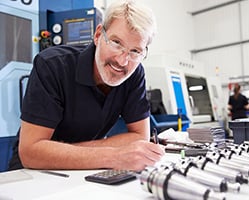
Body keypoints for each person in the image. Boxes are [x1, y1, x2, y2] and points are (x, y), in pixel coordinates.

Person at [9, 0, 164, 172]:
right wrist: (115, 155)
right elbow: (31, 152)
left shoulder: (135, 73)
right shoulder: (52, 66)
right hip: (35, 173)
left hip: (89, 169)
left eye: (135, 51)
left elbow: (139, 137)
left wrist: (74, 152)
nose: (122, 61)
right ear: (98, 35)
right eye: (116, 43)